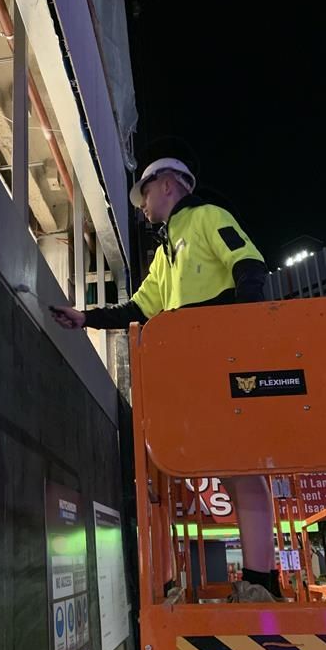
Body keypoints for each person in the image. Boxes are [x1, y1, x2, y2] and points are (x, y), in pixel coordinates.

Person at [51, 157, 281, 602]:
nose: (142, 206)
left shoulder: (208, 218)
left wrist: (244, 334)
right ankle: (212, 581)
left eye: (145, 194)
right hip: (188, 368)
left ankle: (261, 583)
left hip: (221, 361)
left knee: (242, 469)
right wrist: (86, 318)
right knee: (200, 467)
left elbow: (249, 265)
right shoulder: (165, 253)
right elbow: (138, 308)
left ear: (169, 185)